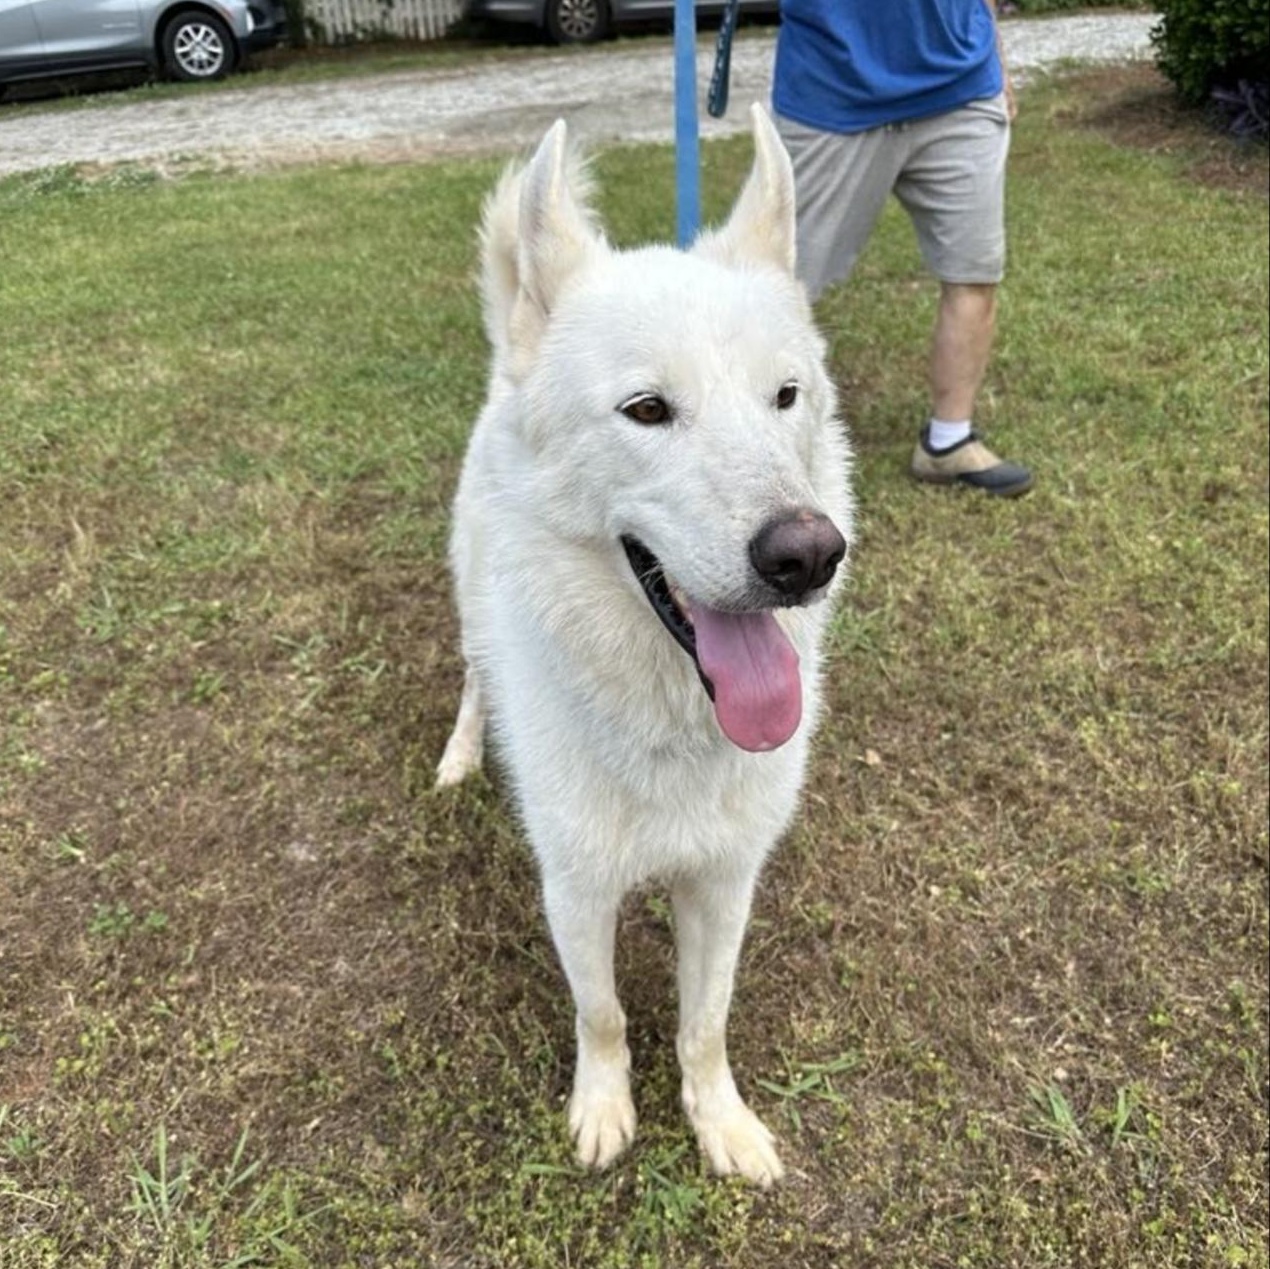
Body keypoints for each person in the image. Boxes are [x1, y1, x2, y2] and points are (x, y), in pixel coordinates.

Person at [772, 0, 1033, 497]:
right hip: (832, 93)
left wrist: (996, 58)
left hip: (963, 86)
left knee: (973, 272)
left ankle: (949, 441)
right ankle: (756, 448)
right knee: (778, 284)